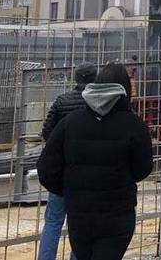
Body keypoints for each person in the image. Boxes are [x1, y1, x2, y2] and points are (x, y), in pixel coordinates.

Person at [38, 63, 153, 260]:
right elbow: (143, 169)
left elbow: (46, 168)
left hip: (80, 215)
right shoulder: (134, 125)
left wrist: (70, 189)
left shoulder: (70, 123)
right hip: (117, 214)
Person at [38, 62, 97, 260]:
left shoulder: (62, 101)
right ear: (95, 79)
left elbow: (47, 132)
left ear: (75, 78)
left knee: (53, 222)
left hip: (61, 173)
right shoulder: (98, 104)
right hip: (87, 174)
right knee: (80, 224)